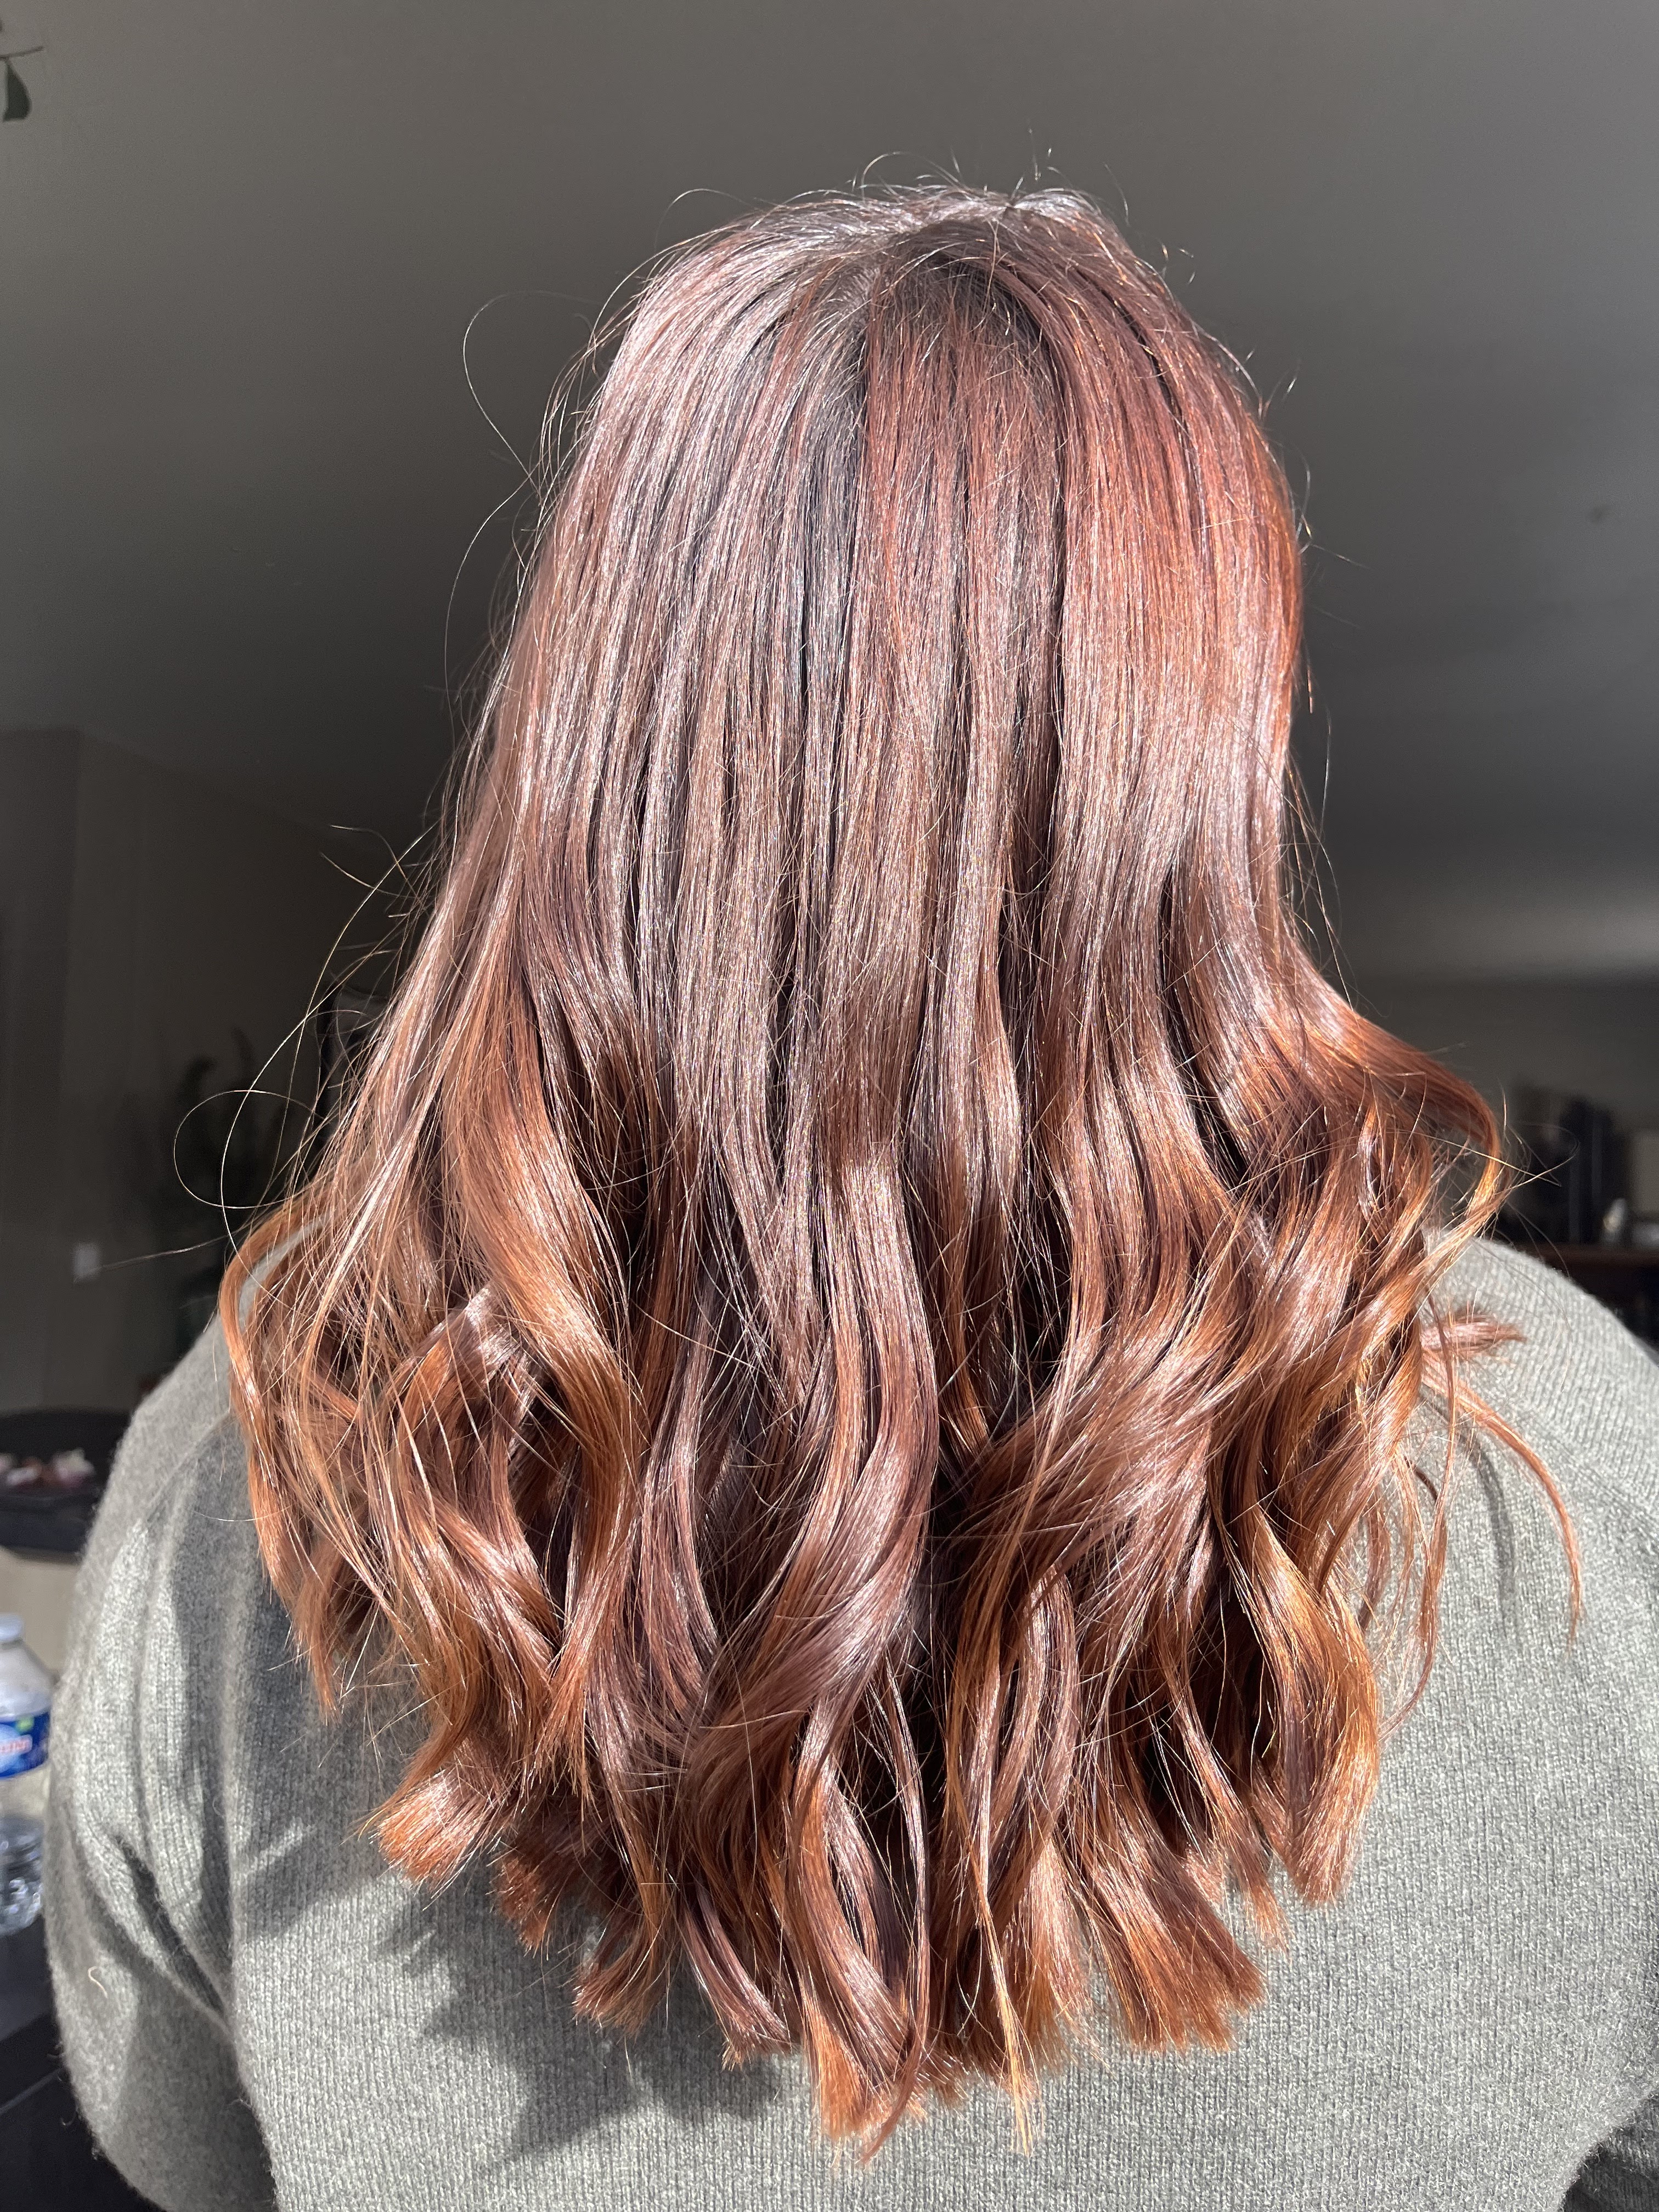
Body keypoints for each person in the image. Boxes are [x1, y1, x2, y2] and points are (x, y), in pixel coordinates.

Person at [45, 186, 1659, 2211]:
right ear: (1203, 770)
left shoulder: (255, 1472)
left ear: (597, 744)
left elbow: (184, 2153)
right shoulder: (1568, 1457)